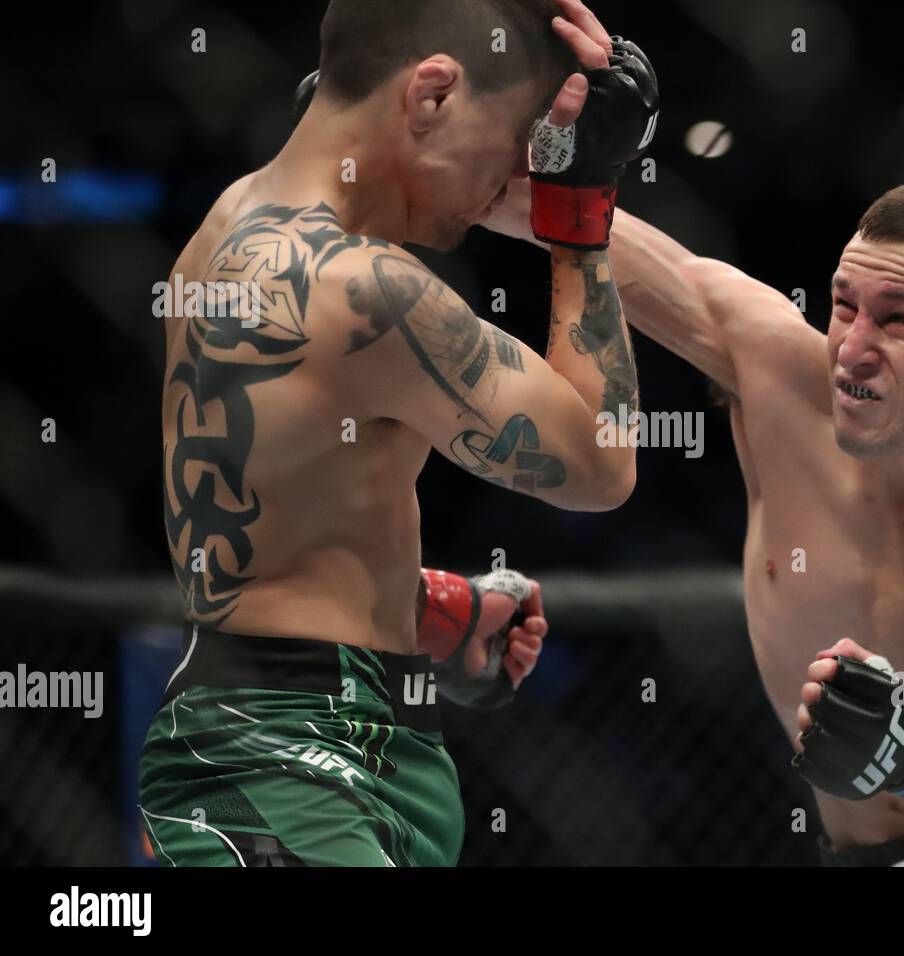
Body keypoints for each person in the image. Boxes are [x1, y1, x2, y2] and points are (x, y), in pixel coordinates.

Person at [484, 89, 904, 862]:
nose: (853, 346)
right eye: (844, 305)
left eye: (899, 318)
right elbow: (561, 211)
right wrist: (388, 131)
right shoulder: (774, 371)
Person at [139, 0, 658, 866]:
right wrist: (578, 210)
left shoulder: (228, 226)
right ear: (433, 93)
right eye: (513, 142)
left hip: (297, 731)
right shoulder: (362, 289)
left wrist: (417, 611)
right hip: (288, 761)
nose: (507, 183)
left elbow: (257, 521)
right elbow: (601, 465)